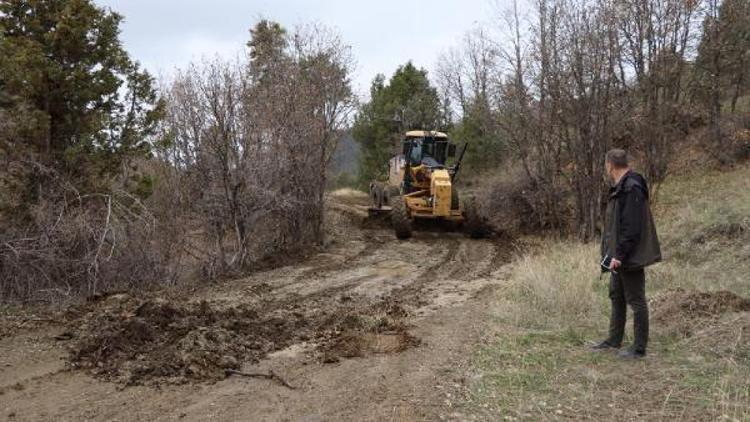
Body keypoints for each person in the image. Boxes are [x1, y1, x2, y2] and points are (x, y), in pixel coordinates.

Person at [592, 149, 662, 359]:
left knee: (636, 299)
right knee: (617, 296)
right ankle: (614, 340)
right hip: (619, 254)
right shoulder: (621, 187)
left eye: (606, 166)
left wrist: (619, 255)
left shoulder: (631, 188)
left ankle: (639, 349)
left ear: (609, 165)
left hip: (629, 255)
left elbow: (631, 228)